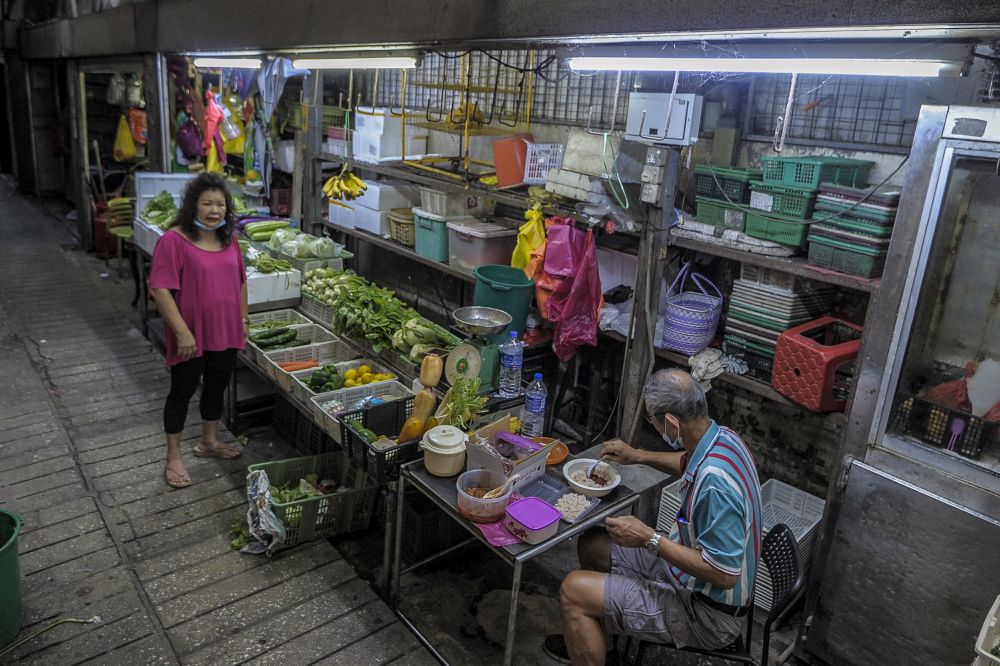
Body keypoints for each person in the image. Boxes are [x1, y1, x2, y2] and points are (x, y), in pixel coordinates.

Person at [544, 368, 762, 665]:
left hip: (706, 613)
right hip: (686, 577)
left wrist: (651, 538)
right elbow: (687, 462)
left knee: (572, 591)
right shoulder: (721, 438)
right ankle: (597, 649)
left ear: (672, 423)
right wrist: (637, 455)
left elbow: (724, 574)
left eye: (652, 420)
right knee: (592, 544)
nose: (653, 425)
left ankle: (586, 634)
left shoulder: (716, 484)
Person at [149, 172, 247, 488]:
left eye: (220, 204)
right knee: (181, 392)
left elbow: (241, 282)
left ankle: (209, 442)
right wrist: (182, 333)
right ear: (193, 205)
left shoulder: (229, 239)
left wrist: (242, 321)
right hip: (192, 335)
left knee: (216, 387)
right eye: (207, 203)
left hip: (226, 331)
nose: (214, 210)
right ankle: (173, 457)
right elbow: (160, 289)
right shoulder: (174, 241)